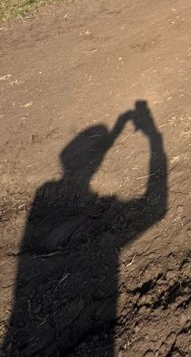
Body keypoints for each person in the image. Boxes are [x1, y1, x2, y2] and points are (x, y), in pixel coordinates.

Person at [1, 101, 167, 356]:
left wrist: (118, 131)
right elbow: (156, 208)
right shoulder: (48, 193)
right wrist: (154, 138)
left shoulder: (45, 191)